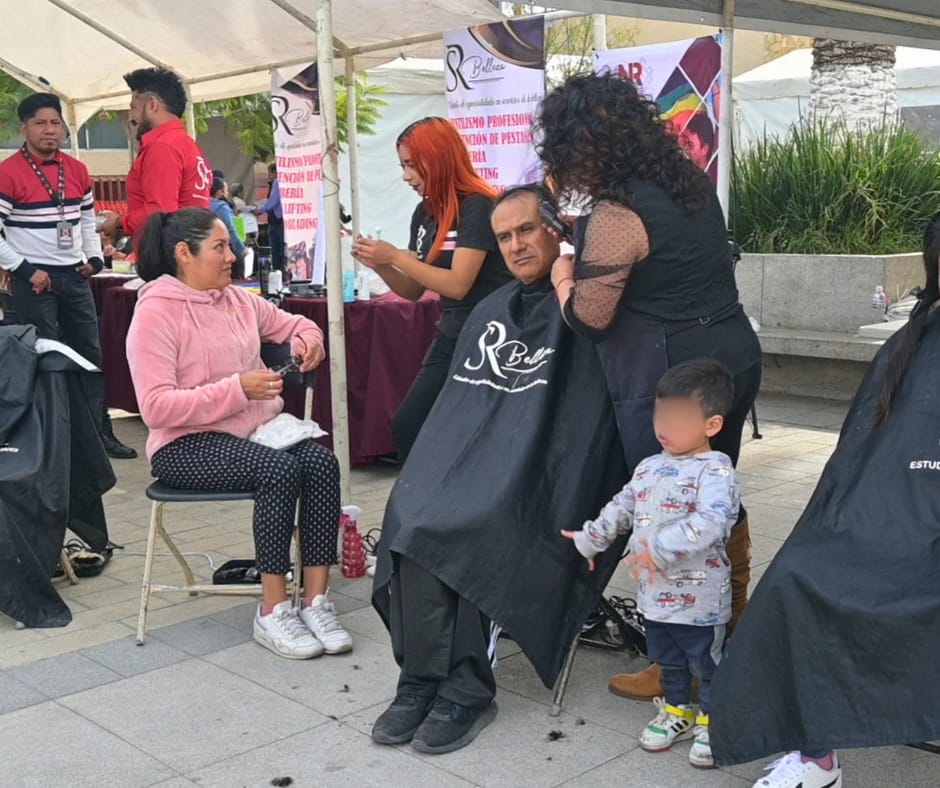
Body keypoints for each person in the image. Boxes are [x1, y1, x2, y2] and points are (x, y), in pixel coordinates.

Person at [371, 184, 627, 755]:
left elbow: (583, 424)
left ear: (556, 230)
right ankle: (419, 679)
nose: (515, 246)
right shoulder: (491, 309)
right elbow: (457, 410)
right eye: (504, 236)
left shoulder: (583, 312)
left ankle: (466, 691)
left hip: (536, 475)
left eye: (526, 230)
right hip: (481, 460)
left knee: (476, 522)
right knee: (411, 513)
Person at [535, 72, 762, 701]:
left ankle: (679, 664)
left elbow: (590, 317)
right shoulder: (686, 178)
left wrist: (562, 274)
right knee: (718, 491)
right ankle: (734, 631)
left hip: (676, 377)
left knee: (672, 506)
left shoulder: (615, 214)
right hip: (733, 355)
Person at [709, 216, 940, 785]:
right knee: (796, 575)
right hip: (890, 521)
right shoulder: (915, 341)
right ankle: (817, 756)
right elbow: (861, 459)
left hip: (922, 533)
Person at [125, 207, 352, 660]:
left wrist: (309, 341)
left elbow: (297, 324)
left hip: (252, 433)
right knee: (279, 471)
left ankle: (315, 601)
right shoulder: (155, 313)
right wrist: (237, 389)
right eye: (220, 247)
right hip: (183, 444)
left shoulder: (238, 300)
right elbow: (156, 407)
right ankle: (272, 609)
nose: (233, 256)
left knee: (322, 463)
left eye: (230, 246)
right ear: (184, 253)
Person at [563, 359, 740, 769]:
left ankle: (714, 721)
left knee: (707, 662)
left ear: (711, 424)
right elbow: (623, 506)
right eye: (661, 415)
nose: (664, 426)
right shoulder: (649, 466)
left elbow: (712, 522)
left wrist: (659, 548)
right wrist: (592, 537)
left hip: (700, 600)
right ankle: (677, 711)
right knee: (667, 660)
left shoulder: (716, 471)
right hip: (654, 598)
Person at [351, 116, 513, 461]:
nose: (406, 176)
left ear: (437, 158)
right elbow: (413, 289)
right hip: (452, 335)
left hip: (493, 338)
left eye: (411, 164)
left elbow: (458, 284)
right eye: (403, 166)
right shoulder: (424, 213)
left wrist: (395, 255)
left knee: (460, 430)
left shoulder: (478, 206)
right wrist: (380, 264)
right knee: (409, 424)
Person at [0, 92, 135, 461]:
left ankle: (100, 435)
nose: (49, 130)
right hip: (34, 282)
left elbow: (87, 222)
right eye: (40, 123)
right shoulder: (8, 173)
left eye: (55, 123)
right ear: (24, 128)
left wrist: (94, 259)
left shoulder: (76, 170)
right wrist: (26, 270)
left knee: (89, 357)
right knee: (44, 359)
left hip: (75, 277)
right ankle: (51, 441)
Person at [97, 67, 212, 241]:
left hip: (167, 252)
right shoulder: (187, 144)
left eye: (133, 108)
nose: (131, 118)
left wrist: (119, 222)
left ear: (152, 105)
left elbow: (159, 214)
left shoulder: (162, 147)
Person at [253, 162, 284, 271]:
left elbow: (272, 202)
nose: (268, 176)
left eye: (269, 173)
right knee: (278, 249)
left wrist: (260, 210)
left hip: (277, 220)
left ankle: (278, 271)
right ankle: (279, 270)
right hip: (276, 220)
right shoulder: (275, 184)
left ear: (275, 172)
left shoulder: (277, 182)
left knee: (277, 249)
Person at [209, 177, 246, 259]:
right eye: (226, 191)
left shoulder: (202, 204)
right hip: (222, 249)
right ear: (219, 192)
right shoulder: (222, 207)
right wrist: (242, 249)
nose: (228, 193)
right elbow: (231, 229)